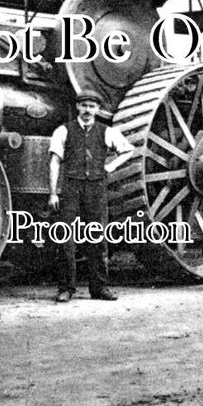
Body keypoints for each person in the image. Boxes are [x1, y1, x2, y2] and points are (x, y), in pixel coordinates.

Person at [48, 90, 134, 303]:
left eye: (92, 106)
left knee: (97, 238)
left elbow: (128, 150)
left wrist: (111, 165)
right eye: (84, 105)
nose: (87, 110)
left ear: (97, 109)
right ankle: (66, 288)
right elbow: (54, 162)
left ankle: (100, 288)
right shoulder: (63, 130)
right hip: (71, 188)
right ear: (78, 107)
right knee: (65, 238)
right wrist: (52, 193)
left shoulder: (106, 131)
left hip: (96, 189)